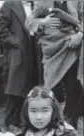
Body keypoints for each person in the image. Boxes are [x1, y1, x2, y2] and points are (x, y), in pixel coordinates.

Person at [25, 0, 83, 128]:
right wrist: (42, 22)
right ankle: (52, 122)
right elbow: (29, 22)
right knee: (52, 89)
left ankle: (70, 123)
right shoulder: (41, 2)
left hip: (72, 47)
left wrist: (80, 34)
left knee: (74, 87)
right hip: (52, 50)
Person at [0, 1, 42, 133]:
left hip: (36, 47)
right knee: (16, 86)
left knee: (34, 83)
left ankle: (28, 120)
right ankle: (10, 122)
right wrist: (15, 41)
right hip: (20, 49)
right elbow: (0, 27)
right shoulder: (10, 4)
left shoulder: (37, 4)